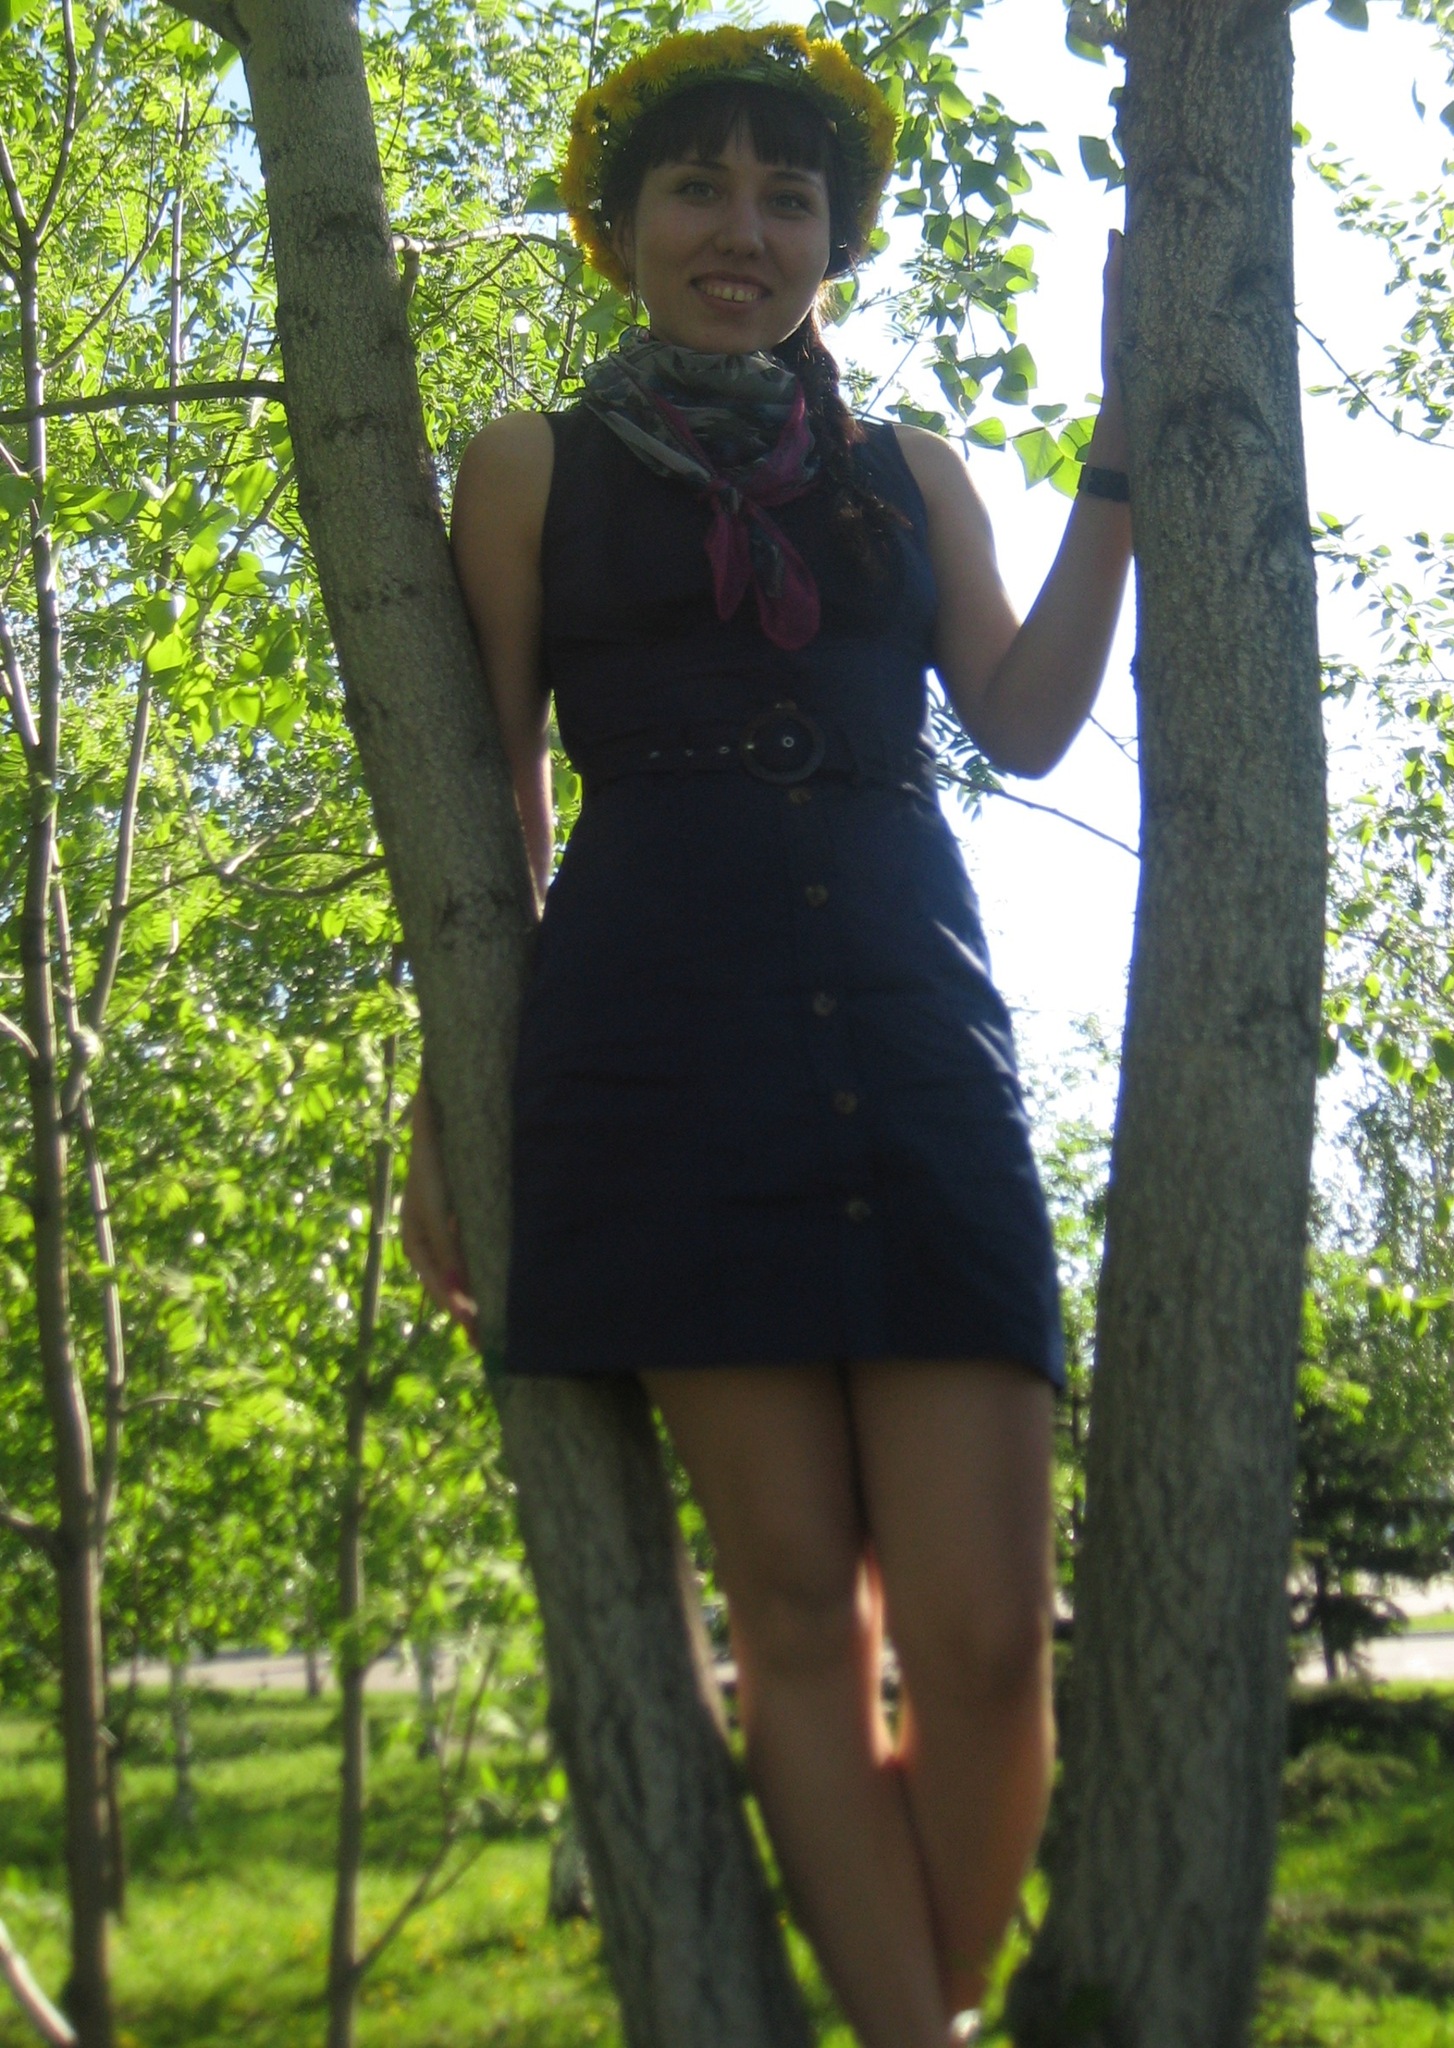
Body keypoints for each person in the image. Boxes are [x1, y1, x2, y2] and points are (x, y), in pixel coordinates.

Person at [402, 26, 1131, 2047]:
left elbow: (1025, 722)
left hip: (910, 1026)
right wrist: (443, 1106)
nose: (741, 229)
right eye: (698, 187)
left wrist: (1121, 471)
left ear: (835, 234)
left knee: (985, 1638)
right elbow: (491, 810)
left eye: (785, 194)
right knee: (799, 1614)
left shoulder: (908, 470)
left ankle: (917, 2016)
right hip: (653, 1046)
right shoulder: (527, 465)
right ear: (620, 224)